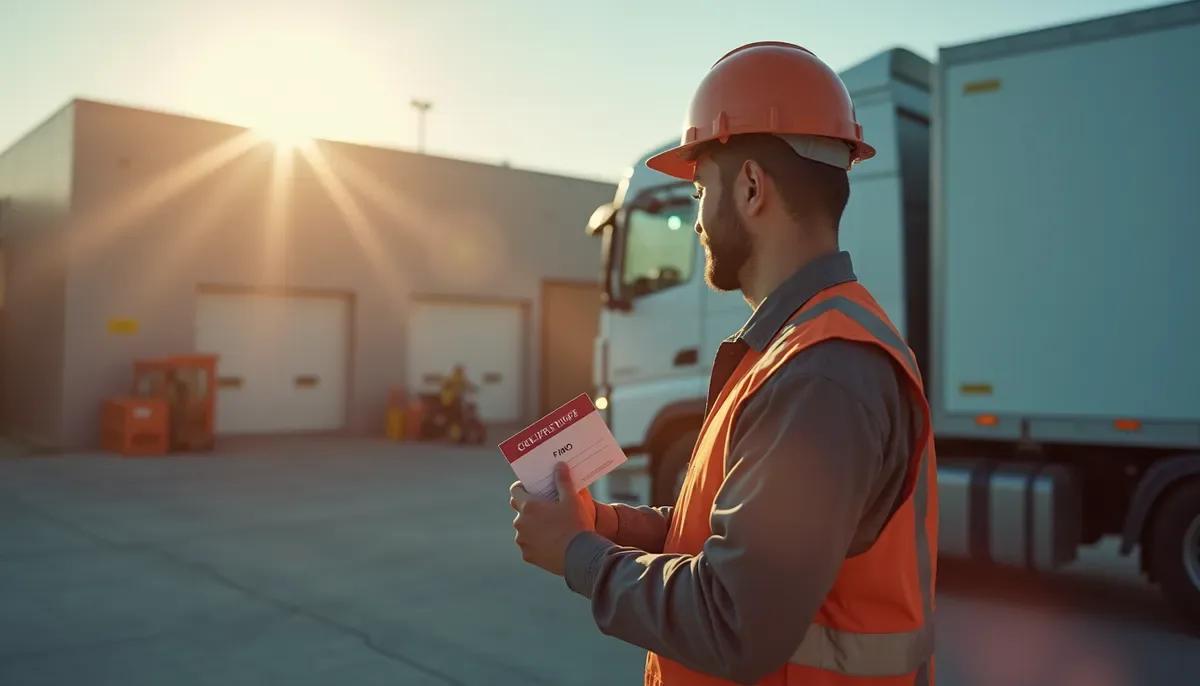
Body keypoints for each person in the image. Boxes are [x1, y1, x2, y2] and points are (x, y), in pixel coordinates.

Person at [510, 42, 938, 685]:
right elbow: (725, 541)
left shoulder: (818, 374)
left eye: (700, 188)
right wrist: (603, 524)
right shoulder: (799, 350)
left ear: (750, 187)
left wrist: (579, 556)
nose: (699, 219)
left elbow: (732, 621)